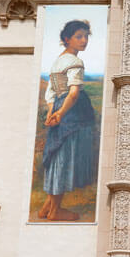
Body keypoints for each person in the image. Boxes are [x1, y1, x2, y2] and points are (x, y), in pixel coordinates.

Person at [40, 19, 99, 221]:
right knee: (64, 158)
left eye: (85, 37)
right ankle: (55, 211)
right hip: (73, 113)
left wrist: (52, 111)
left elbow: (52, 91)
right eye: (79, 36)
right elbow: (73, 94)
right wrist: (62, 114)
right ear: (67, 39)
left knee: (57, 155)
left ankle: (47, 207)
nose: (84, 41)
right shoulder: (75, 62)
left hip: (59, 107)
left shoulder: (59, 60)